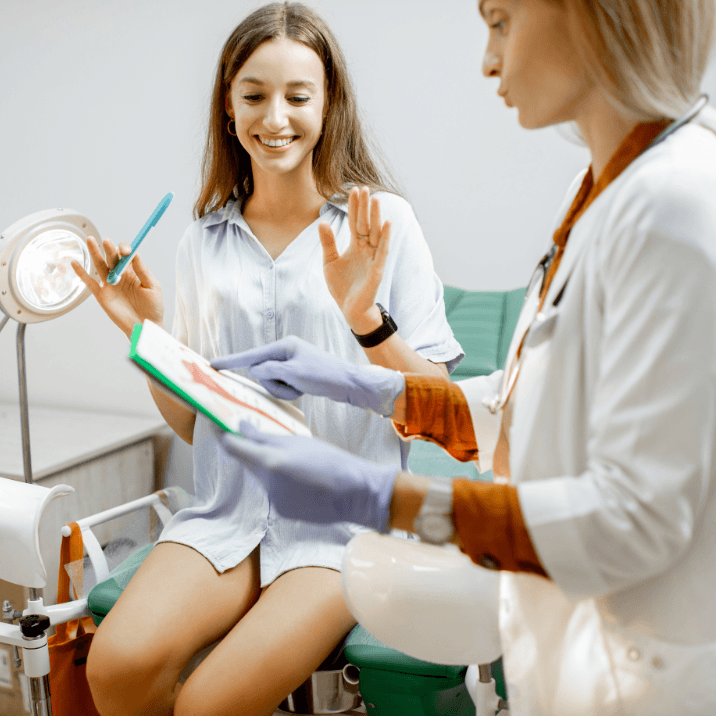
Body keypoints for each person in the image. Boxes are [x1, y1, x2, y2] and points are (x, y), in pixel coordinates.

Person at [214, 1, 716, 714]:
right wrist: (368, 387)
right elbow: (523, 409)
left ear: (594, 16)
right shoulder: (602, 191)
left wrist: (382, 497)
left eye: (501, 22)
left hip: (645, 675)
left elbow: (635, 517)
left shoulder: (676, 204)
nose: (488, 60)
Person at [71, 3, 463, 715]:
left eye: (297, 96)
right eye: (253, 95)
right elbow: (195, 427)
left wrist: (367, 321)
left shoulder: (383, 226)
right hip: (226, 513)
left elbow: (443, 408)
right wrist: (148, 338)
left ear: (329, 104)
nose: (274, 116)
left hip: (342, 525)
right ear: (227, 106)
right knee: (114, 668)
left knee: (207, 705)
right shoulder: (203, 242)